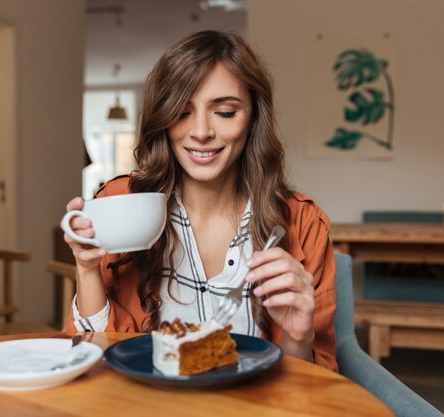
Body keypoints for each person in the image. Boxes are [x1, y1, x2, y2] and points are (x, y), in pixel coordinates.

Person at [63, 30, 337, 371]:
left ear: (253, 118)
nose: (201, 131)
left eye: (224, 112)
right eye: (181, 111)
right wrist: (87, 269)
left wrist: (298, 338)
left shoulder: (303, 223)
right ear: (163, 119)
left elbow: (314, 391)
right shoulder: (120, 204)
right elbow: (93, 361)